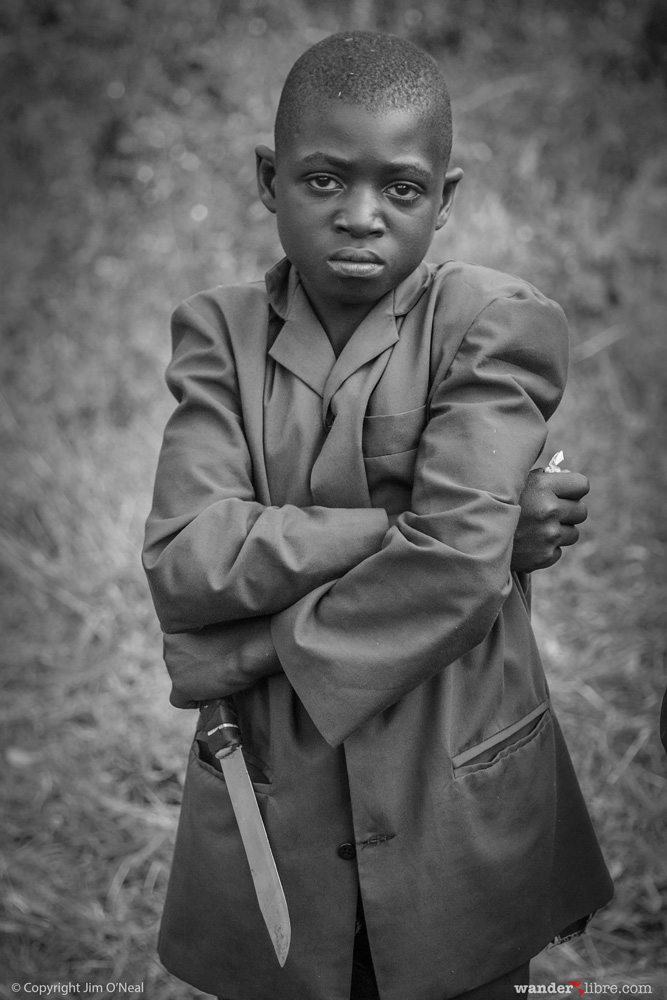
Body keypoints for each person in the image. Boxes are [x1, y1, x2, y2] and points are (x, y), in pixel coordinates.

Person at [142, 30, 613, 1000]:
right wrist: (444, 534)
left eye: (399, 189)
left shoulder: (491, 321)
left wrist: (232, 650)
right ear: (269, 179)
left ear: (443, 201)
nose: (359, 216)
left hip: (454, 791)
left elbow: (451, 575)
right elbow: (187, 556)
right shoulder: (219, 336)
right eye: (322, 181)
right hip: (278, 794)